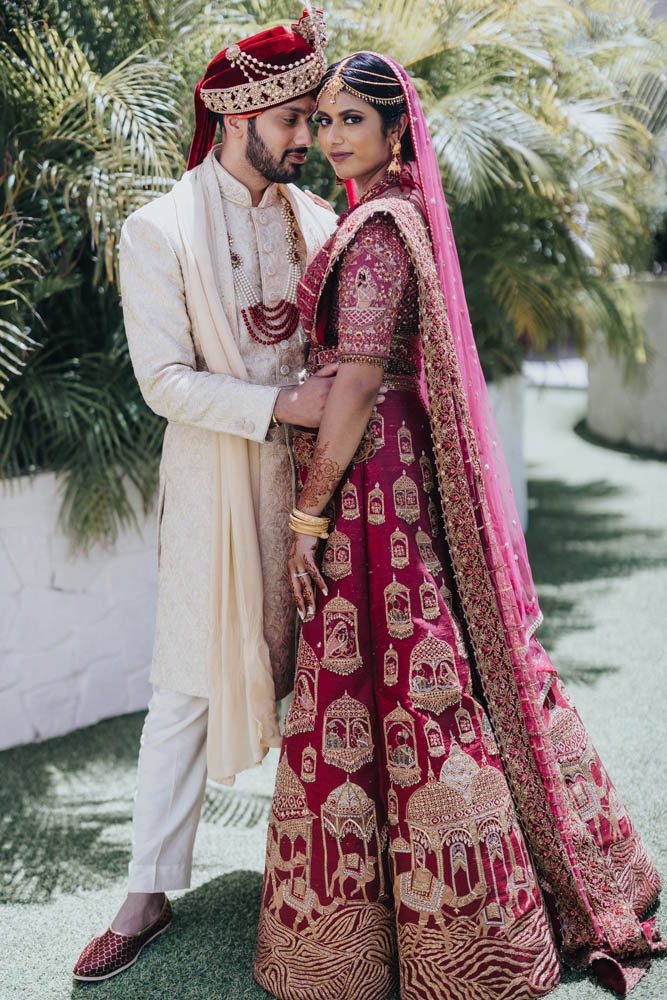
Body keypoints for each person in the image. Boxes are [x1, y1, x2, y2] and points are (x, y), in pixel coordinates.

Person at [254, 52, 665, 999]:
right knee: (399, 676)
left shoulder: (378, 230)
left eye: (350, 120)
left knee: (409, 679)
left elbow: (357, 381)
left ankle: (466, 928)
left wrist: (309, 516)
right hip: (390, 473)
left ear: (397, 132)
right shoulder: (384, 217)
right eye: (321, 121)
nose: (328, 137)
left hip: (373, 485)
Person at [71, 10, 350, 982]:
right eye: (294, 120)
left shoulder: (320, 223)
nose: (309, 138)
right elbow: (164, 382)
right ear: (237, 113)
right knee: (186, 689)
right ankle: (146, 891)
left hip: (318, 497)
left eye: (314, 119)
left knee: (326, 678)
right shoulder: (158, 231)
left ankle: (337, 879)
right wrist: (286, 405)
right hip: (217, 491)